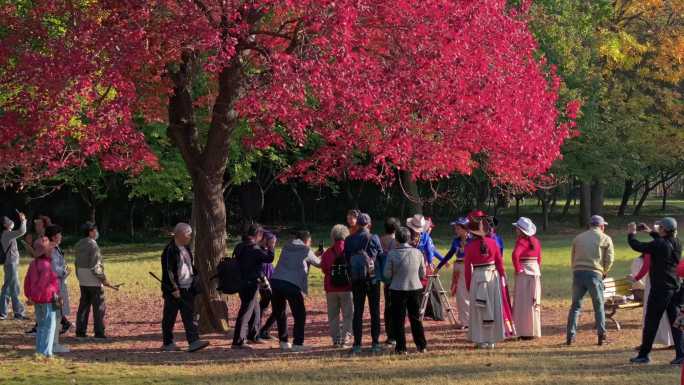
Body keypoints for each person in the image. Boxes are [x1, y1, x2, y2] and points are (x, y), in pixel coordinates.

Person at [628, 217, 684, 364]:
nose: (658, 229)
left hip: (660, 289)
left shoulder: (659, 244)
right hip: (675, 287)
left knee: (651, 322)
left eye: (660, 228)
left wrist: (631, 233)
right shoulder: (677, 242)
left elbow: (637, 246)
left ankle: (644, 355)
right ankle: (681, 354)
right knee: (676, 323)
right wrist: (650, 231)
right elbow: (662, 241)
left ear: (664, 230)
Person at [160, 223, 210, 353]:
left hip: (188, 288)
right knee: (169, 317)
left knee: (189, 315)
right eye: (188, 234)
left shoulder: (186, 248)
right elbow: (168, 271)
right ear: (180, 234)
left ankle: (193, 341)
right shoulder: (169, 250)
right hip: (175, 290)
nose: (190, 236)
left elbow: (189, 266)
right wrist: (174, 288)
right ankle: (167, 343)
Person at [566, 215, 614, 346]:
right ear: (602, 226)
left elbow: (573, 257)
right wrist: (603, 272)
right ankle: (601, 335)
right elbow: (609, 259)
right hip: (594, 273)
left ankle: (570, 336)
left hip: (578, 272)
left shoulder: (578, 238)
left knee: (575, 306)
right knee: (598, 306)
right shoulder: (605, 238)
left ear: (589, 225)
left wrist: (576, 269)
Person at [269, 230, 321, 351]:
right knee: (299, 314)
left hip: (276, 281)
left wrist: (313, 255)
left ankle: (283, 342)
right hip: (291, 284)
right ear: (307, 240)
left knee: (280, 313)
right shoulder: (306, 250)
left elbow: (295, 260)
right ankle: (298, 343)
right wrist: (320, 255)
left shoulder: (286, 247)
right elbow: (319, 264)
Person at [464, 216, 507, 349]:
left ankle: (480, 339)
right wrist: (502, 277)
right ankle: (492, 339)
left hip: (477, 277)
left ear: (472, 232)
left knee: (478, 310)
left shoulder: (469, 247)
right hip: (492, 277)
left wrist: (468, 285)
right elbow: (500, 263)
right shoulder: (494, 243)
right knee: (493, 308)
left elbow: (467, 269)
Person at [384, 227, 427, 354]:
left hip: (397, 289)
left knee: (398, 319)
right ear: (409, 239)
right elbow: (422, 274)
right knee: (416, 318)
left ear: (396, 239)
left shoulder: (392, 254)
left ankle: (401, 348)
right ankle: (421, 345)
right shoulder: (418, 253)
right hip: (415, 288)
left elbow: (387, 274)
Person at [345, 213, 383, 354]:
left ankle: (357, 344)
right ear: (369, 224)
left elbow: (347, 258)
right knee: (374, 312)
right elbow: (380, 254)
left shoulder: (349, 239)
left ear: (357, 224)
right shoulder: (374, 238)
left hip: (356, 280)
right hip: (373, 279)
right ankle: (375, 343)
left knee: (358, 312)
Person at [232, 223, 275, 349]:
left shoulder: (240, 246)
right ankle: (238, 341)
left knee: (256, 309)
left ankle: (253, 335)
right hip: (250, 284)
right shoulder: (254, 248)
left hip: (241, 282)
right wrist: (271, 247)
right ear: (258, 235)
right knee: (246, 312)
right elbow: (269, 259)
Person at [23, 236, 59, 357]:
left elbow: (27, 281)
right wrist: (35, 297)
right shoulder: (47, 265)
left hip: (37, 299)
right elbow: (43, 283)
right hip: (48, 298)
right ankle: (46, 352)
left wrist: (30, 296)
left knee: (41, 325)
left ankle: (40, 350)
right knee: (50, 325)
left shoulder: (33, 263)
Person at [629, 253, 674, 348]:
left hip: (654, 283)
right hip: (668, 282)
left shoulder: (650, 252)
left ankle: (647, 343)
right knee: (667, 313)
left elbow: (645, 268)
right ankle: (673, 341)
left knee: (651, 314)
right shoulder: (671, 249)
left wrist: (635, 278)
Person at [320, 224, 353, 347]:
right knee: (348, 315)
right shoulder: (349, 250)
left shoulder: (328, 252)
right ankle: (346, 338)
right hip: (347, 287)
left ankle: (336, 339)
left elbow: (324, 269)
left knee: (333, 315)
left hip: (331, 287)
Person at [435, 217, 471, 330]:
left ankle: (473, 320)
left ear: (465, 229)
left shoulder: (473, 240)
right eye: (455, 228)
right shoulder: (456, 240)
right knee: (461, 295)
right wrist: (438, 267)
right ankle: (464, 321)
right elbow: (449, 255)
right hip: (459, 268)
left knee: (472, 294)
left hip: (471, 267)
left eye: (458, 228)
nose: (455, 230)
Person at [75, 222, 109, 339]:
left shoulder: (78, 244)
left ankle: (80, 332)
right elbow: (95, 266)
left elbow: (76, 262)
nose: (97, 232)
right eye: (95, 230)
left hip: (82, 277)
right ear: (90, 232)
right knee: (99, 306)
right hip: (93, 279)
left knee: (84, 305)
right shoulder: (93, 245)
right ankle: (99, 333)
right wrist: (103, 279)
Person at [511, 217, 542, 340]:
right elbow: (539, 258)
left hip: (524, 271)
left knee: (522, 302)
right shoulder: (536, 241)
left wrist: (518, 268)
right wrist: (536, 268)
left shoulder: (521, 241)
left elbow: (515, 255)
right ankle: (533, 330)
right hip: (534, 271)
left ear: (521, 230)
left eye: (517, 228)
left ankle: (523, 330)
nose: (515, 230)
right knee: (533, 301)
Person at [45, 225, 71, 353]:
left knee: (56, 316)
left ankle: (53, 343)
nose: (61, 236)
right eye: (59, 234)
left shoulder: (52, 248)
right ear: (55, 236)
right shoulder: (53, 250)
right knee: (56, 316)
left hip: (54, 286)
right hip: (56, 287)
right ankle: (54, 344)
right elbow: (55, 269)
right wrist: (65, 271)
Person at [1, 212, 28, 320]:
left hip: (10, 263)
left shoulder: (7, 234)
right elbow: (22, 231)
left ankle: (2, 312)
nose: (11, 221)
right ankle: (18, 313)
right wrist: (23, 220)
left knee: (7, 288)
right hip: (11, 263)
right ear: (4, 225)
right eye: (7, 220)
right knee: (14, 288)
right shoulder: (6, 234)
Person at [379, 217, 400, 346]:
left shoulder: (380, 240)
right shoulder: (397, 241)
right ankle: (397, 333)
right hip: (397, 277)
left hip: (385, 277)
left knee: (388, 306)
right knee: (398, 306)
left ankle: (390, 335)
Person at [255, 231, 277, 341]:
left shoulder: (265, 251)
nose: (273, 244)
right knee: (264, 305)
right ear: (265, 240)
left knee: (265, 305)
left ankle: (263, 330)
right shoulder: (259, 251)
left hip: (272, 281)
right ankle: (258, 331)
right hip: (264, 283)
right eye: (272, 242)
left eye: (274, 242)